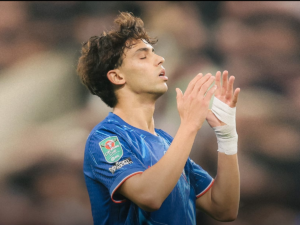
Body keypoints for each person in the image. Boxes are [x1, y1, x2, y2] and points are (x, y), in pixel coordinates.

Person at [77, 12, 240, 225]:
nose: (161, 59)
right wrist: (190, 124)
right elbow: (149, 196)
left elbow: (224, 209)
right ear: (117, 76)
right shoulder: (105, 138)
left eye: (154, 53)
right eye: (143, 56)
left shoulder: (168, 143)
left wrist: (226, 134)